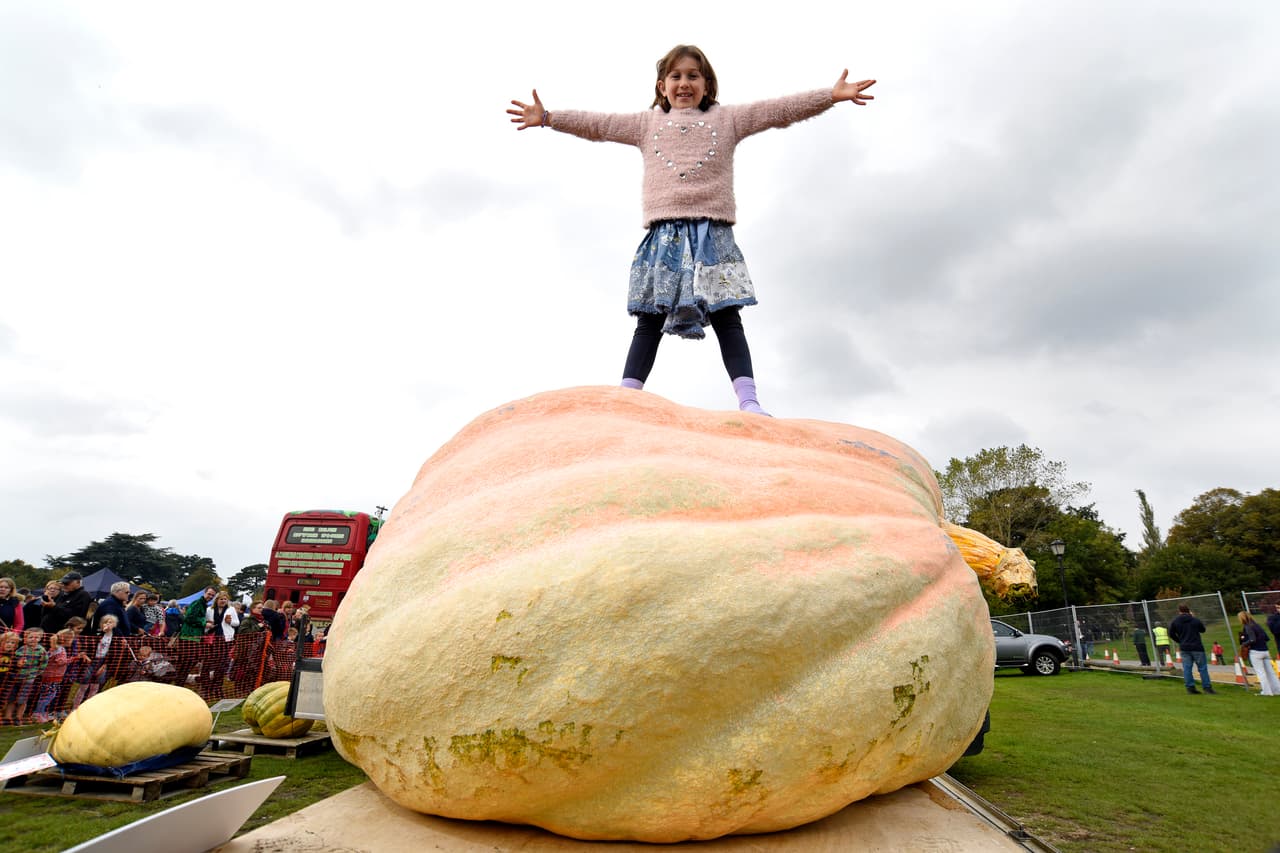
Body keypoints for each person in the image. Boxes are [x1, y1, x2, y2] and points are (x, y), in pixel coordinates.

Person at [508, 46, 875, 415]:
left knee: (727, 317)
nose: (684, 83)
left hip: (711, 235)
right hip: (664, 237)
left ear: (707, 83)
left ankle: (749, 402)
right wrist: (549, 117)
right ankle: (625, 401)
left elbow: (777, 111)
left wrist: (830, 96)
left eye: (693, 76)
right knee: (649, 320)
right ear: (662, 85)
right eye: (677, 76)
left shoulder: (728, 119)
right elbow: (598, 125)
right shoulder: (645, 124)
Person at [3, 627, 48, 724]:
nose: (33, 639)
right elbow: (15, 661)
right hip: (16, 678)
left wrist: (37, 673)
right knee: (11, 698)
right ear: (25, 638)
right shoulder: (21, 649)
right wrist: (18, 664)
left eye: (36, 637)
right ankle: (7, 717)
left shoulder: (41, 651)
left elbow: (44, 663)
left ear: (40, 638)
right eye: (30, 637)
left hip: (28, 680)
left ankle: (18, 718)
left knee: (22, 699)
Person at [1168, 604, 1216, 694]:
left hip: (1184, 647)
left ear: (1179, 611)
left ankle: (1190, 687)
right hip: (1197, 647)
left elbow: (1171, 633)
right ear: (1189, 610)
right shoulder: (1195, 620)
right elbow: (1202, 630)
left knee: (1187, 668)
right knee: (1202, 668)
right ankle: (1207, 687)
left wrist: (1179, 641)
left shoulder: (1175, 621)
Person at [32, 629, 73, 722]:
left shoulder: (56, 648)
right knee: (48, 695)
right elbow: (60, 662)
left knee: (48, 695)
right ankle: (38, 713)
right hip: (52, 677)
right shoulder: (59, 649)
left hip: (52, 677)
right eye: (71, 639)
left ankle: (41, 713)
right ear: (65, 640)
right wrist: (73, 659)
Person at [1238, 611, 1279, 696]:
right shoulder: (1257, 625)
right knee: (1271, 672)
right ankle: (1277, 690)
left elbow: (1252, 639)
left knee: (1261, 673)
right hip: (1265, 651)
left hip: (1255, 652)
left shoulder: (1247, 627)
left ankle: (1267, 692)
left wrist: (1244, 644)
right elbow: (1266, 638)